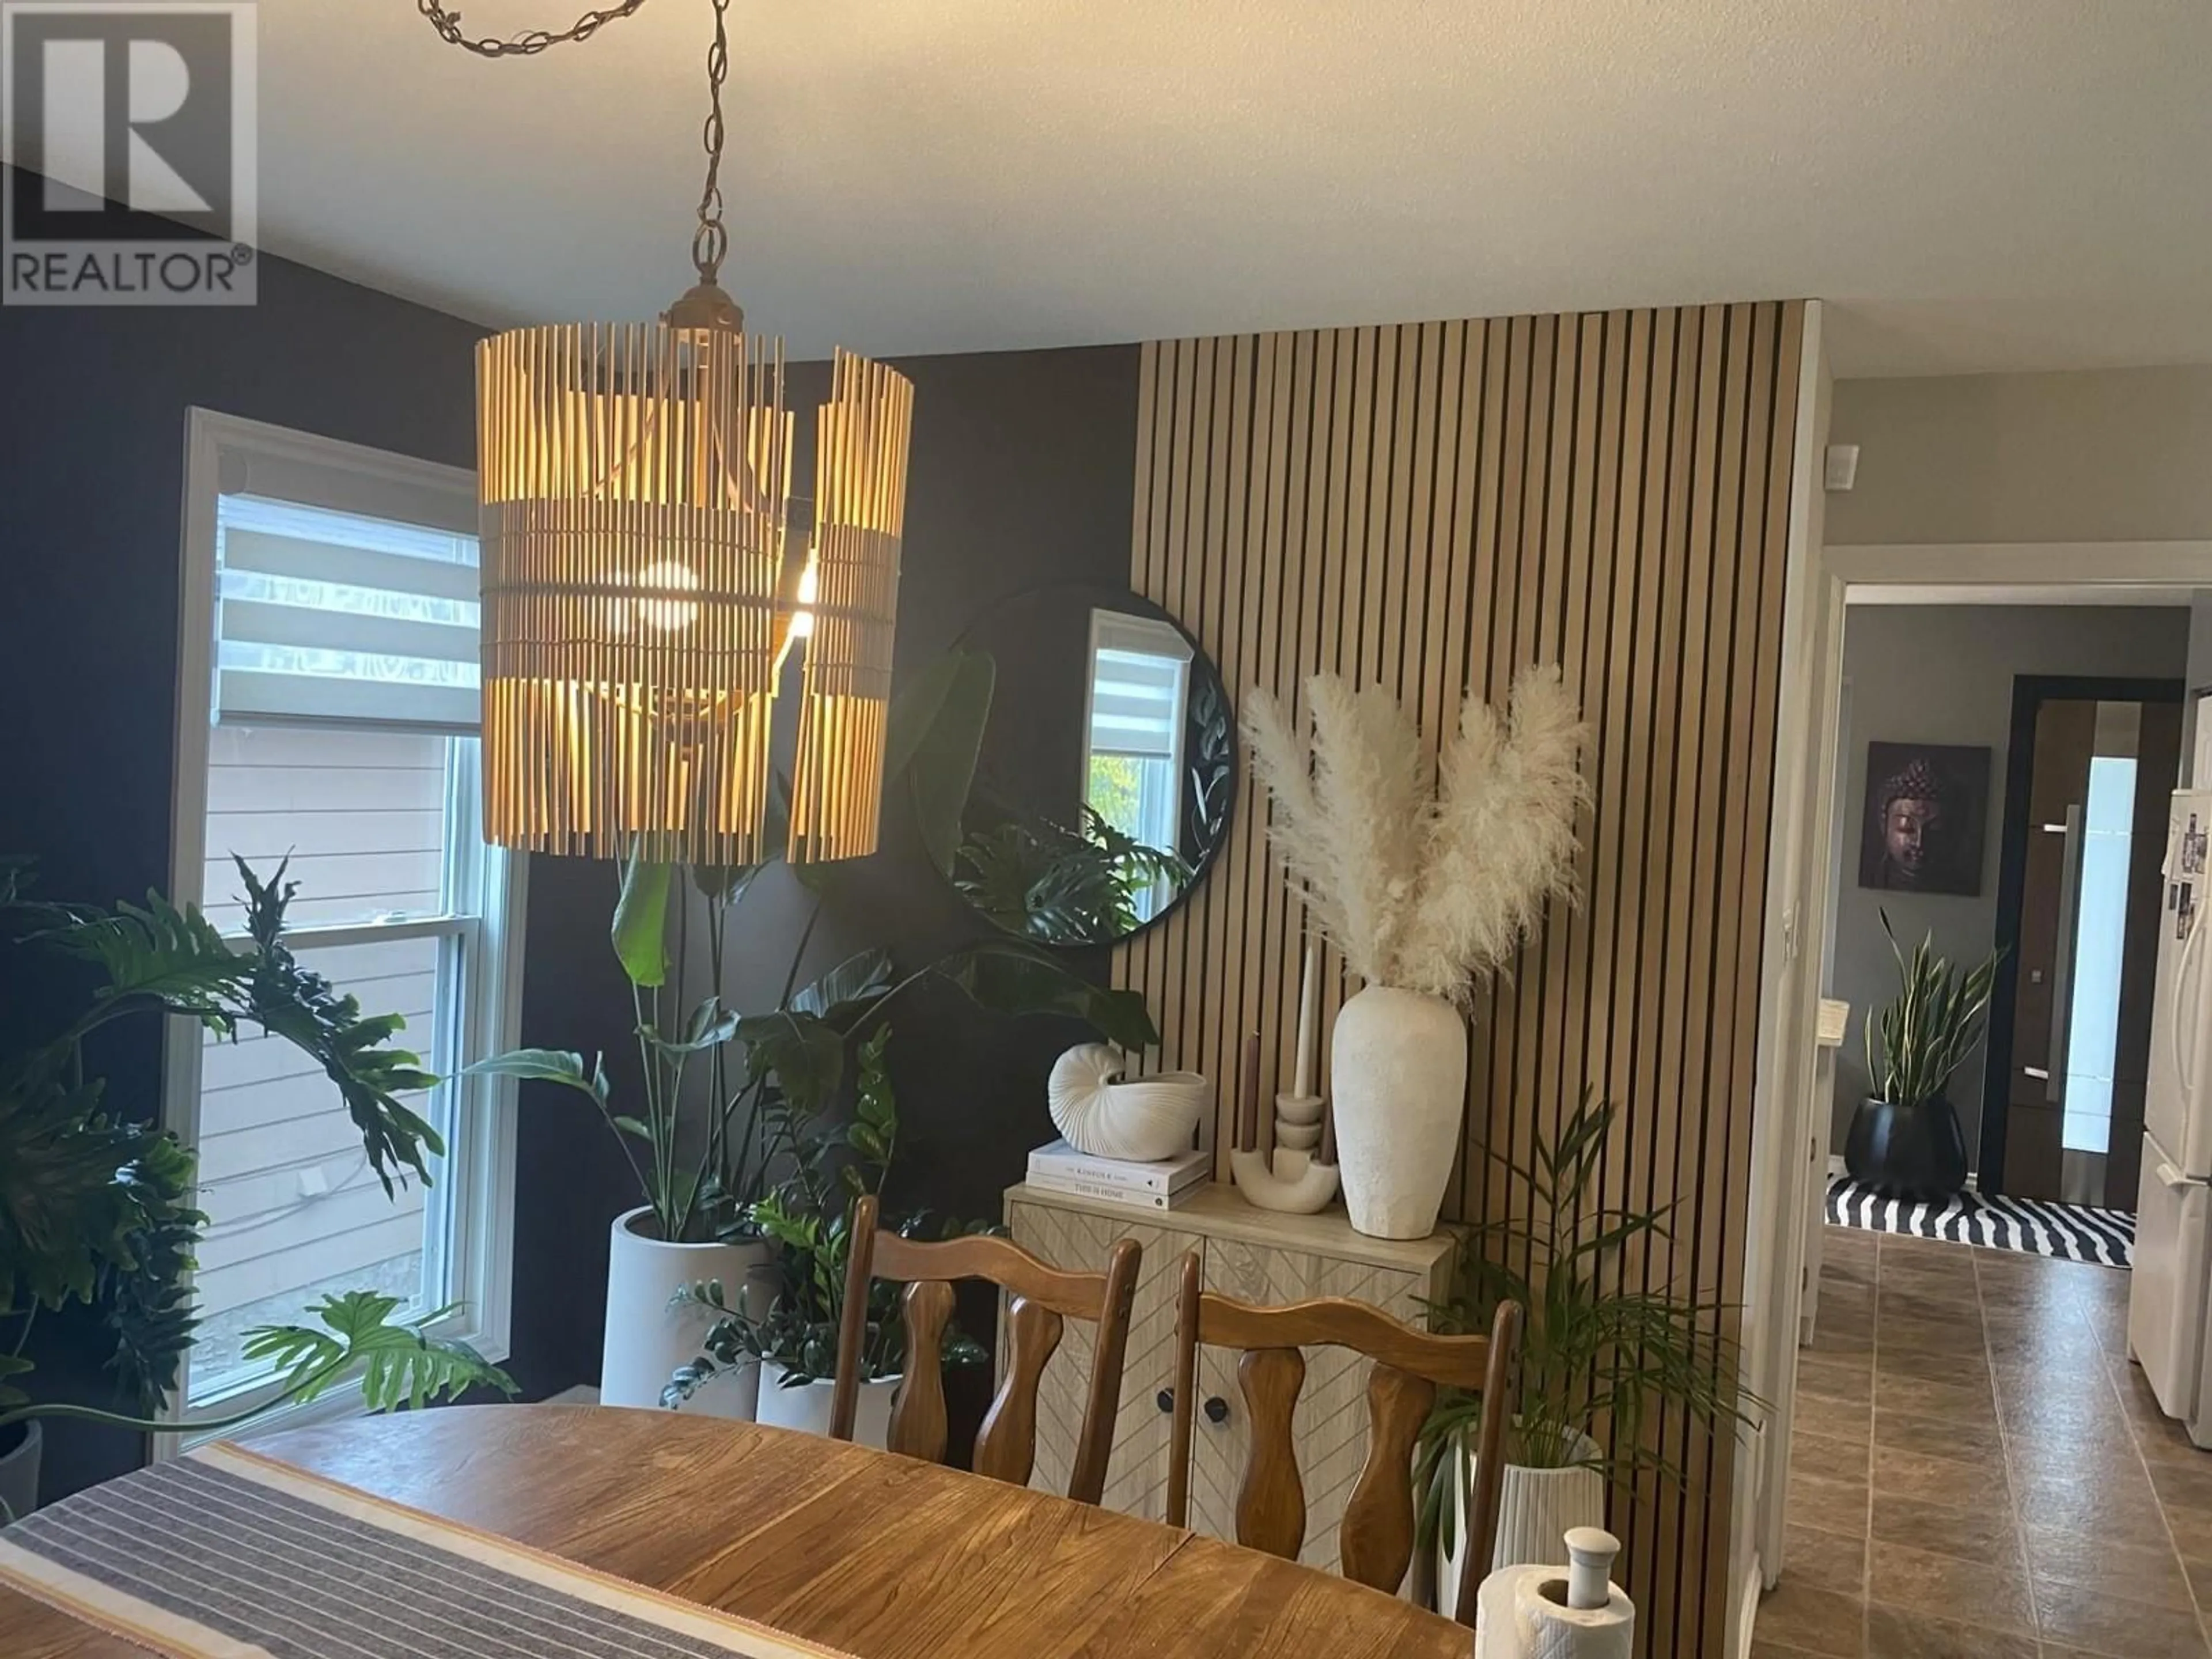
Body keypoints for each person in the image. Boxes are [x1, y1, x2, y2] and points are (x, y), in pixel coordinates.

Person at [1872, 757, 1950, 891]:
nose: (1920, 842)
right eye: (1907, 829)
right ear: (1885, 827)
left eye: (1935, 829)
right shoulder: (1874, 881)